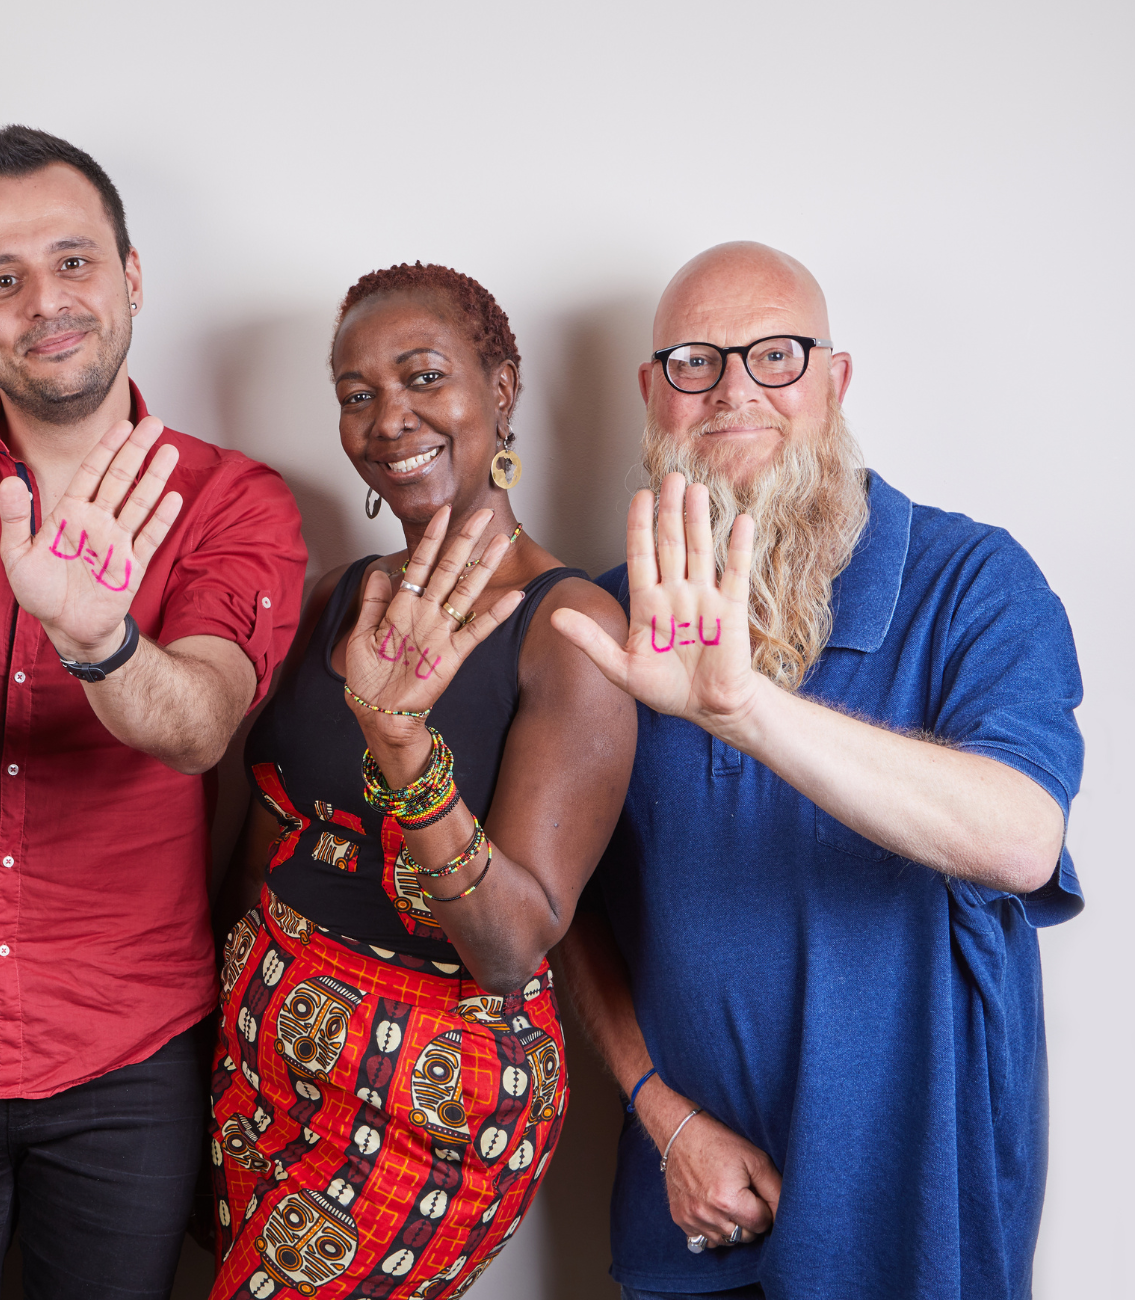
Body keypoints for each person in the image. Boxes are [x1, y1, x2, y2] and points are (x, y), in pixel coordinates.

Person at [548, 242, 1084, 1300]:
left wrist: (745, 710)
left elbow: (1022, 839)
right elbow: (571, 911)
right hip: (695, 1220)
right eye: (695, 362)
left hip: (918, 1226)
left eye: (776, 355)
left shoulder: (971, 580)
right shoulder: (614, 622)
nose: (734, 390)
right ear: (652, 392)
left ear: (835, 382)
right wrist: (661, 1111)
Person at [0, 126, 308, 1300]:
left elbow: (199, 724)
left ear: (131, 275)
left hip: (127, 1058)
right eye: (1, 280)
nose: (44, 301)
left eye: (72, 261)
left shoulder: (231, 500)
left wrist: (98, 638)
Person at [203, 264, 636, 1300]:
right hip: (262, 1052)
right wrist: (205, 1032)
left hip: (430, 1099)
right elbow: (266, 833)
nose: (389, 417)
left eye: (422, 377)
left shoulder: (569, 630)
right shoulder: (340, 596)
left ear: (501, 387)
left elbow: (511, 944)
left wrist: (401, 745)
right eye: (357, 394)